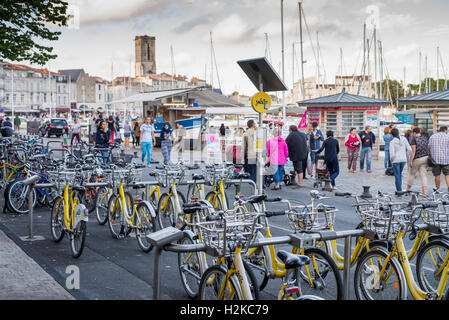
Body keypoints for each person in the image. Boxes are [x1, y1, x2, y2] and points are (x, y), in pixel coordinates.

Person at [406, 127, 429, 196]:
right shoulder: (425, 138)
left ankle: (408, 189)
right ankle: (424, 192)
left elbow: (413, 151)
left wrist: (410, 161)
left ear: (414, 133)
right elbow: (428, 148)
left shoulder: (414, 139)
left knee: (412, 174)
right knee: (423, 175)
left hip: (417, 159)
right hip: (425, 157)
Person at [389, 128, 412, 193]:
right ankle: (400, 189)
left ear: (392, 135)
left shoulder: (392, 142)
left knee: (397, 175)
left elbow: (392, 154)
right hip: (403, 159)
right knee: (399, 174)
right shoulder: (404, 139)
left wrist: (392, 160)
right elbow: (410, 149)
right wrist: (406, 155)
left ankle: (399, 190)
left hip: (396, 160)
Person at [428, 126, 449, 191]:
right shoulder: (448, 137)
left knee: (437, 175)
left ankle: (437, 189)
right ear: (445, 130)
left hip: (435, 160)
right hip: (446, 159)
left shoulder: (432, 137)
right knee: (447, 175)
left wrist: (429, 155)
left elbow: (428, 148)